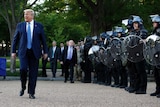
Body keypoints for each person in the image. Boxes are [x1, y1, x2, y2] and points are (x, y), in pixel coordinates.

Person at [11, 9, 48, 99]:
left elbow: (43, 40)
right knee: (23, 69)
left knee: (33, 73)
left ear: (32, 15)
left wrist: (45, 52)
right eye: (24, 14)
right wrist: (13, 51)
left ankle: (31, 92)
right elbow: (15, 39)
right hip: (23, 52)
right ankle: (23, 86)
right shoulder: (20, 26)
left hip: (35, 52)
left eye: (27, 14)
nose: (25, 16)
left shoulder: (39, 26)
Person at [125, 16, 148, 94]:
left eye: (136, 23)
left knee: (141, 71)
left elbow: (142, 41)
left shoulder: (143, 31)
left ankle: (142, 88)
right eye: (134, 23)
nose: (134, 25)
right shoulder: (133, 32)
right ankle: (136, 87)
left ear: (139, 24)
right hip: (134, 54)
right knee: (135, 71)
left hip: (140, 54)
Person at [149, 15, 160, 98]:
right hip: (155, 53)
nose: (153, 24)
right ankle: (158, 90)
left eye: (155, 22)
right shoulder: (154, 31)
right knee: (156, 73)